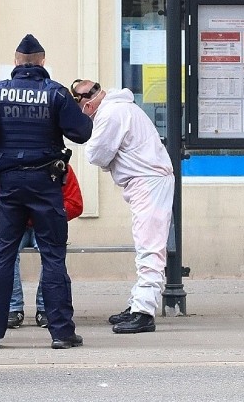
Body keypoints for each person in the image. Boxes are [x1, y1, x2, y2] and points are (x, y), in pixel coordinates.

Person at [0, 34, 93, 350]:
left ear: (17, 61)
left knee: (4, 254)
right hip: (46, 185)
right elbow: (81, 133)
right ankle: (61, 333)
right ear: (42, 61)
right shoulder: (57, 94)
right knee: (53, 256)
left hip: (8, 186)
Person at [72, 79, 174, 334]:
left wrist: (108, 159)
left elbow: (96, 154)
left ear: (88, 102)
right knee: (145, 244)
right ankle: (138, 303)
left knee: (149, 248)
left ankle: (143, 312)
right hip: (145, 181)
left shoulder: (111, 113)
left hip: (147, 183)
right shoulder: (120, 107)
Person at [0, 165, 84, 330]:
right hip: (21, 224)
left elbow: (75, 204)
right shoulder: (10, 162)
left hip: (43, 222)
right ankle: (14, 308)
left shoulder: (61, 167)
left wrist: (41, 215)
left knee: (48, 256)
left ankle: (44, 308)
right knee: (9, 256)